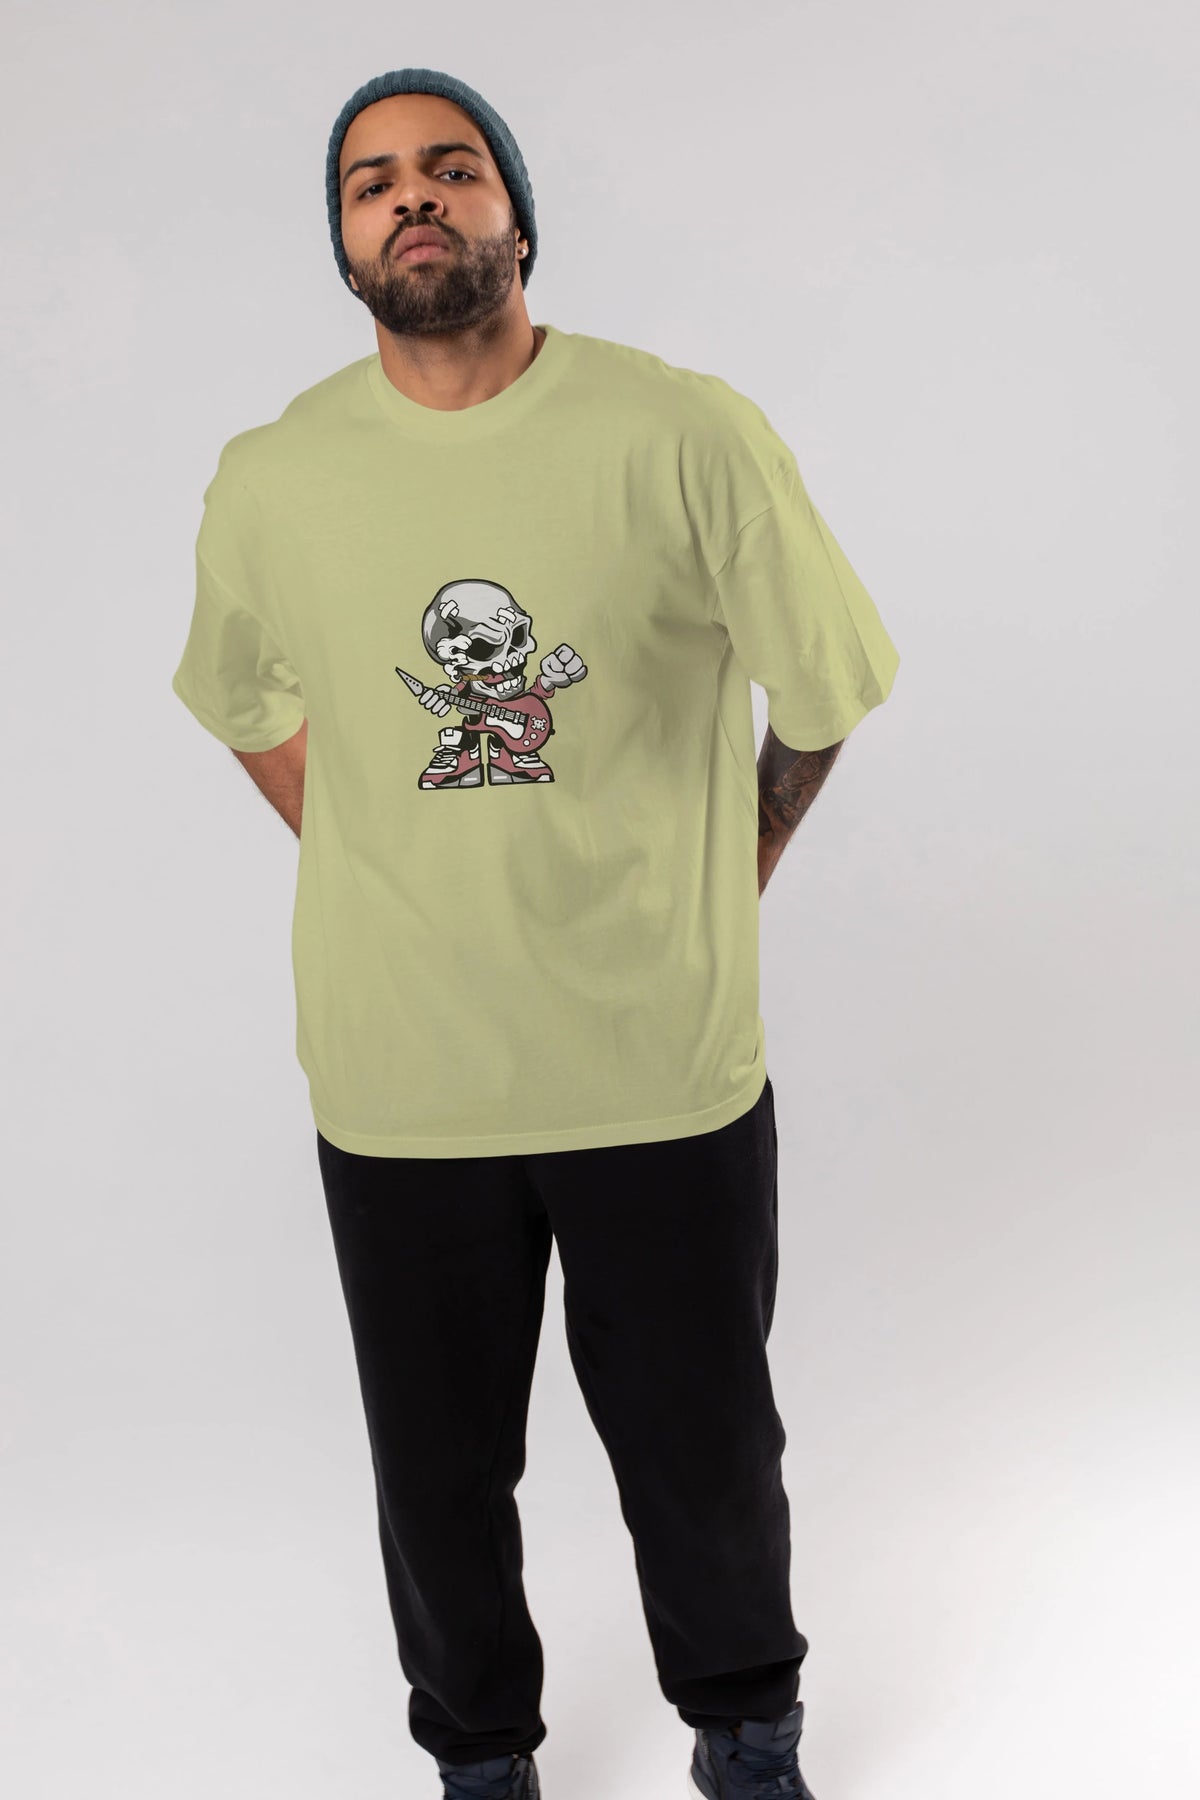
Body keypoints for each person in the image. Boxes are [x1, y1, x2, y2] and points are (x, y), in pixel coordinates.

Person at [170, 66, 900, 1800]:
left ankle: (747, 1732)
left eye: (452, 167)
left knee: (705, 1448)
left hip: (658, 1061)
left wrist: (740, 859)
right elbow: (242, 697)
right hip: (402, 1080)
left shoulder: (683, 433)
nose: (413, 197)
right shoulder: (274, 476)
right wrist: (373, 847)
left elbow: (824, 685)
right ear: (343, 242)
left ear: (516, 213)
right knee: (435, 1474)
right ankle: (481, 1759)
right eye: (371, 183)